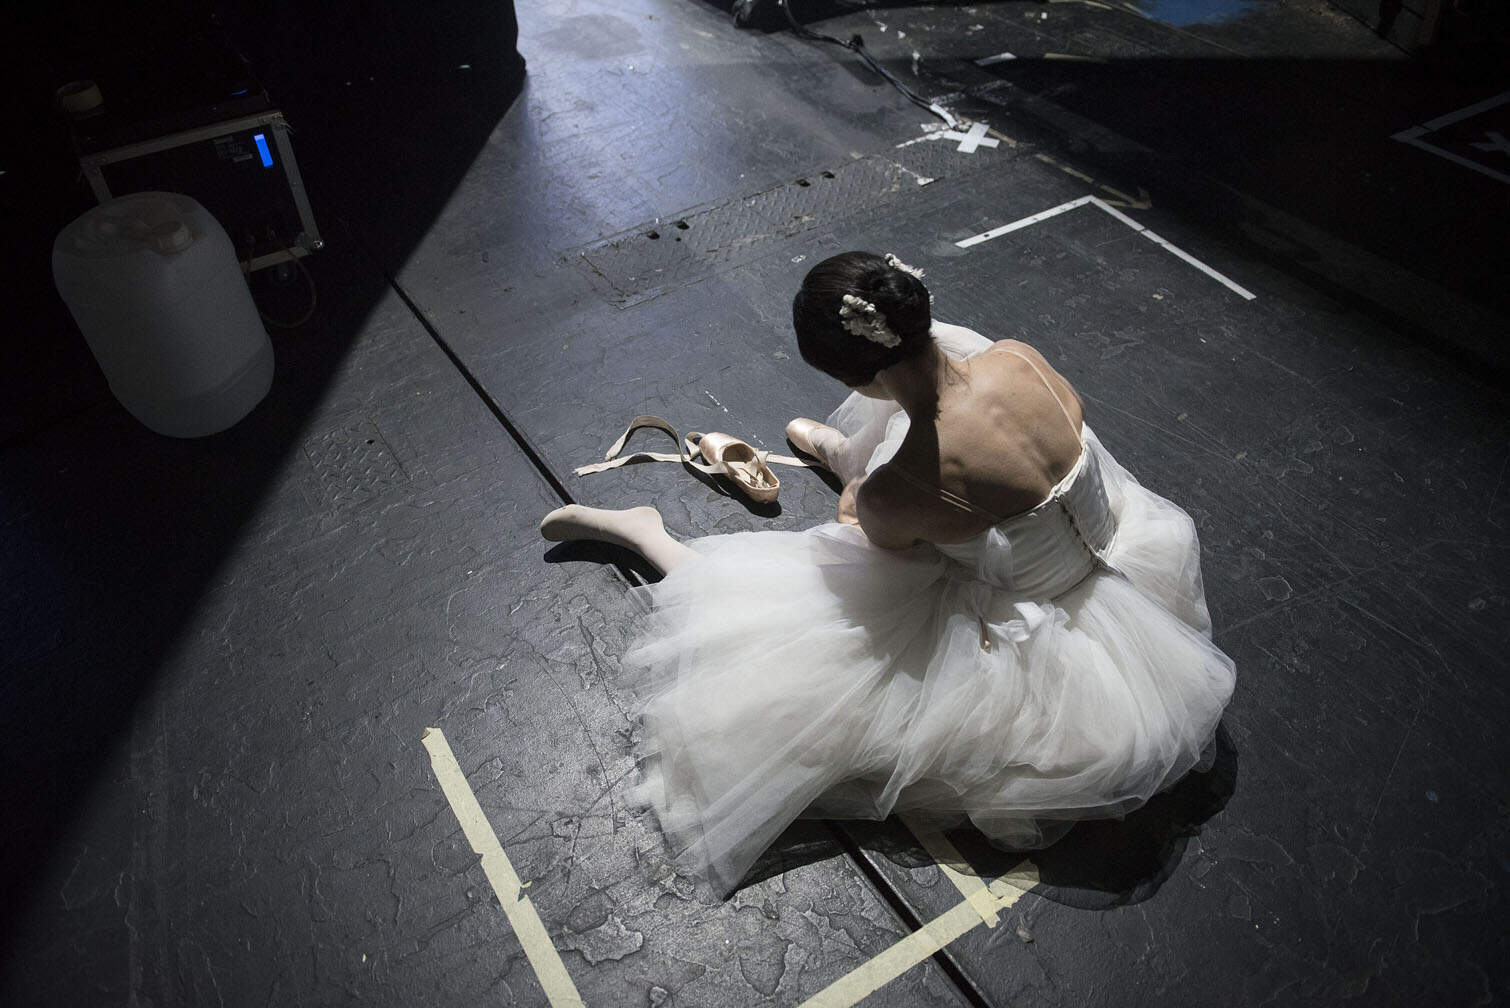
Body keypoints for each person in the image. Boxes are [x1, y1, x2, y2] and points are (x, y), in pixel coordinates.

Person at [541, 251, 1236, 893]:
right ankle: (850, 452)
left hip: (1032, 620)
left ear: (852, 376)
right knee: (937, 401)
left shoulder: (906, 489)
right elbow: (956, 411)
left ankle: (650, 535)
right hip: (1117, 554)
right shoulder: (1016, 358)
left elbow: (882, 545)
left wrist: (862, 499)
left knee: (803, 607)